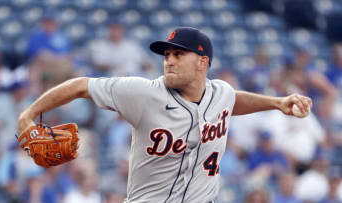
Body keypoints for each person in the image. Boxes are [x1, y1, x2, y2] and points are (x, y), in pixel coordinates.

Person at [18, 27, 312, 202]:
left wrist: (277, 103)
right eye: (166, 55)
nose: (168, 61)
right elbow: (81, 85)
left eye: (178, 54)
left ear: (202, 62)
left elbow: (232, 101)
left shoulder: (220, 92)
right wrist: (30, 114)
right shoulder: (143, 93)